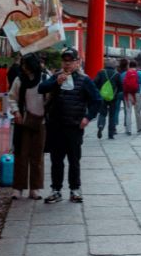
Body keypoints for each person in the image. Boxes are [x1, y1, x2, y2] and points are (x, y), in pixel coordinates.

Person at [38, 47, 100, 203]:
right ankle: (56, 190)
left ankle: (75, 189)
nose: (67, 64)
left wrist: (87, 117)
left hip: (74, 125)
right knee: (56, 160)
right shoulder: (56, 77)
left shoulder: (84, 80)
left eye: (70, 61)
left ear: (77, 62)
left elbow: (96, 100)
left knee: (74, 160)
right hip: (56, 125)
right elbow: (41, 88)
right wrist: (55, 83)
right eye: (64, 61)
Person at [8, 54, 46, 200]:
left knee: (37, 156)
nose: (24, 68)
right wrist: (16, 111)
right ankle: (18, 187)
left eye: (26, 66)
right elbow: (12, 97)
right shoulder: (19, 79)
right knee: (21, 155)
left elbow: (49, 97)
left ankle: (35, 188)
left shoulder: (43, 78)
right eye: (23, 66)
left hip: (40, 122)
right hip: (23, 120)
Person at [93, 58, 123, 139]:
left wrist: (98, 91)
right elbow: (121, 87)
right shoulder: (117, 74)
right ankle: (111, 134)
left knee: (102, 113)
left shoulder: (101, 72)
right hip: (113, 97)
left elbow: (94, 83)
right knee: (112, 115)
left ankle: (100, 125)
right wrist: (116, 92)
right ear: (114, 66)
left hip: (102, 97)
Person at [120, 59, 141, 135]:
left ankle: (128, 130)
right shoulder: (139, 73)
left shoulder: (124, 73)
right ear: (136, 66)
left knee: (128, 112)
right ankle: (139, 128)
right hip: (137, 94)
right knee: (137, 112)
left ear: (129, 66)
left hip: (127, 95)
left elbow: (121, 83)